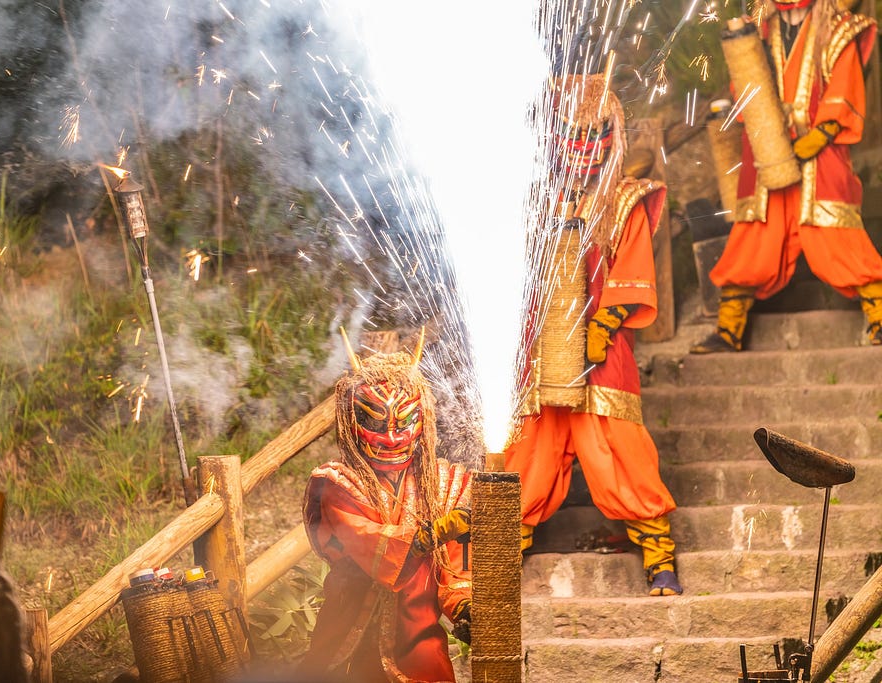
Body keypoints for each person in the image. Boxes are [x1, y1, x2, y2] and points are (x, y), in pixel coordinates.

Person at [505, 72, 683, 597]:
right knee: (529, 450)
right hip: (544, 350)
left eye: (596, 134)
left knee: (618, 446)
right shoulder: (533, 199)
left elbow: (631, 270)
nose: (585, 148)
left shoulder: (627, 199)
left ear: (612, 136)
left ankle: (658, 554)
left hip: (601, 352)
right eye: (574, 135)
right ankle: (502, 547)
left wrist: (602, 327)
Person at [691, 0, 882, 353]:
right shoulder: (760, 31)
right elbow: (745, 87)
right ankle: (729, 328)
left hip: (820, 151)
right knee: (752, 235)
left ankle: (880, 315)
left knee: (835, 234)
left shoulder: (840, 28)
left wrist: (821, 134)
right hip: (769, 153)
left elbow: (845, 83)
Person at [299, 330, 473, 682]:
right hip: (348, 633)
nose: (391, 438)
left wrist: (465, 609)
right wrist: (432, 533)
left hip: (418, 638)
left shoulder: (444, 484)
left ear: (422, 419)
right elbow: (369, 541)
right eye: (376, 423)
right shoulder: (337, 483)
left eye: (404, 422)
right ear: (352, 422)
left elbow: (454, 570)